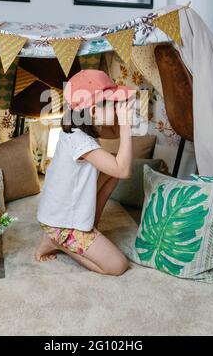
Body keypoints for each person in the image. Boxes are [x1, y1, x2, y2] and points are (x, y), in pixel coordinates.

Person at [35, 69, 136, 276]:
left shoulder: (80, 127)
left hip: (63, 211)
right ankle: (60, 243)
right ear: (93, 111)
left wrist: (121, 112)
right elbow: (124, 169)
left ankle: (88, 227)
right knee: (117, 265)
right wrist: (126, 123)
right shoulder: (79, 140)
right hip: (60, 223)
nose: (117, 108)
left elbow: (114, 133)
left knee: (112, 167)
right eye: (112, 103)